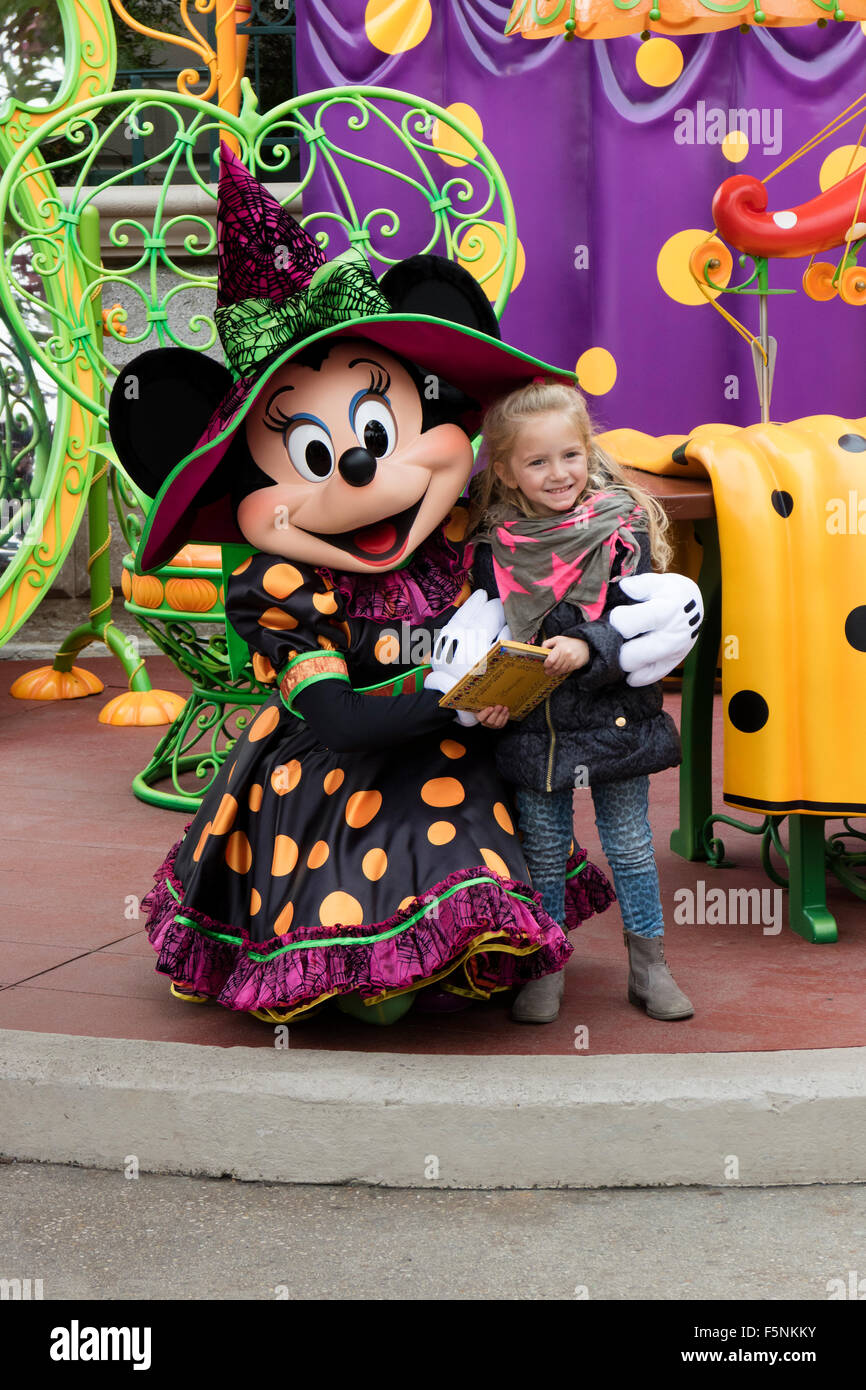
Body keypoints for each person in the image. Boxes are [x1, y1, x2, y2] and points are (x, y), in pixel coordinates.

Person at [470, 380, 697, 1025]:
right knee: (543, 850)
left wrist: (588, 643)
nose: (558, 473)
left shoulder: (621, 530)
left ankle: (649, 966)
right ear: (507, 472)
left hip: (613, 720)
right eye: (537, 461)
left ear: (587, 451)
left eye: (570, 455)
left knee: (629, 846)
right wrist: (489, 697)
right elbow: (488, 631)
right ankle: (547, 967)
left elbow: (646, 617)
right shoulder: (495, 547)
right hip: (535, 726)